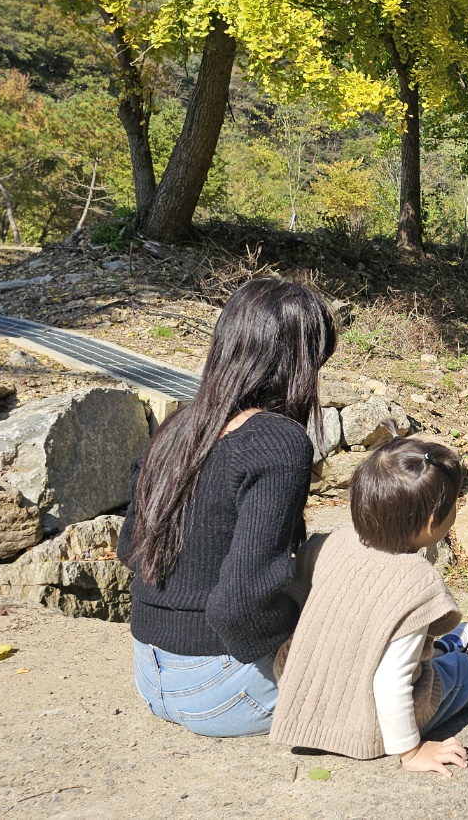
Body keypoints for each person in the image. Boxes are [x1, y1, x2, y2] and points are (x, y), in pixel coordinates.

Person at [118, 278, 336, 737]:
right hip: (219, 689)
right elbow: (239, 604)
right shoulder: (277, 441)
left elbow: (130, 550)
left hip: (150, 672)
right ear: (296, 363)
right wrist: (294, 648)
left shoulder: (179, 426)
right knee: (444, 676)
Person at [269, 434, 468, 774]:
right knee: (464, 672)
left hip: (305, 698)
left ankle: (440, 649)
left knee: (416, 649)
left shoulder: (330, 543)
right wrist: (412, 751)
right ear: (433, 521)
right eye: (454, 505)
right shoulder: (416, 581)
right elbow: (390, 681)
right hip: (364, 722)